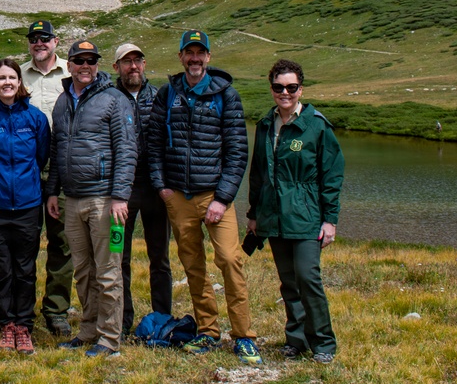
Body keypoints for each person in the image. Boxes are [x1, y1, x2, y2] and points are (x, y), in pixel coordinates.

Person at [147, 30, 261, 365]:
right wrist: (162, 188)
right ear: (181, 57)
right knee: (193, 265)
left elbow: (237, 152)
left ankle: (244, 336)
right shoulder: (168, 93)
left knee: (229, 259)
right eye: (189, 53)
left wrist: (222, 198)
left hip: (214, 195)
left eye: (200, 53)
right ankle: (208, 332)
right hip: (178, 197)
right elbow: (154, 145)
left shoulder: (227, 95)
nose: (195, 59)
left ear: (208, 57)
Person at [247, 59, 344, 364]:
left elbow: (332, 175)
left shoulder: (316, 125)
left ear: (301, 89)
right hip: (273, 216)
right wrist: (253, 214)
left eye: (291, 87)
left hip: (306, 216)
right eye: (278, 87)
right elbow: (258, 173)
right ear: (272, 88)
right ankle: (296, 340)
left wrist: (330, 220)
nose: (284, 93)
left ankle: (324, 344)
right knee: (288, 281)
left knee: (307, 278)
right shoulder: (265, 125)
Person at [45, 40, 137, 357]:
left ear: (97, 65)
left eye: (91, 61)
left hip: (105, 202)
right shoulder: (61, 102)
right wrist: (52, 192)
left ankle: (109, 338)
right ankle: (87, 330)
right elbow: (58, 151)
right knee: (83, 270)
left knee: (108, 270)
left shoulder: (114, 100)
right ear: (68, 64)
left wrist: (120, 196)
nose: (86, 66)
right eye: (79, 60)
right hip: (72, 200)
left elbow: (127, 151)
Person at [0, 59, 51, 355]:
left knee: (25, 268)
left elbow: (40, 157)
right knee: (2, 268)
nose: (7, 82)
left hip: (28, 205)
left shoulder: (36, 118)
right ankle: (6, 324)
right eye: (1, 78)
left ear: (19, 83)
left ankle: (24, 325)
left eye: (12, 77)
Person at [111, 43, 172, 335]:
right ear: (117, 67)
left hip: (156, 189)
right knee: (117, 256)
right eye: (126, 62)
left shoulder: (161, 96)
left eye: (137, 61)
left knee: (159, 256)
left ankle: (161, 319)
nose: (132, 66)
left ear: (144, 64)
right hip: (120, 192)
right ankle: (121, 321)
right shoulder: (108, 97)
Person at [19, 20, 74, 337]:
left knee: (62, 242)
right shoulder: (18, 73)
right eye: (33, 38)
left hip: (60, 167)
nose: (39, 42)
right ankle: (20, 310)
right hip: (24, 167)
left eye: (44, 38)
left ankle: (56, 310)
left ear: (55, 41)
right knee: (24, 241)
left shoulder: (71, 72)